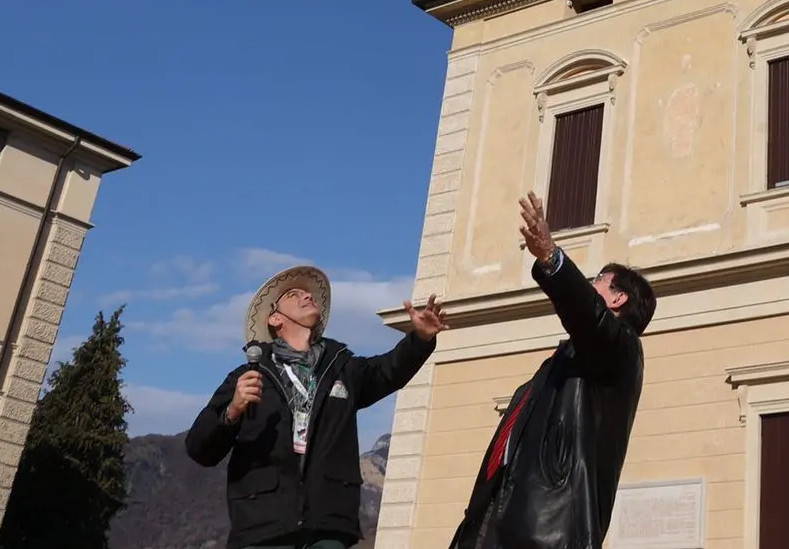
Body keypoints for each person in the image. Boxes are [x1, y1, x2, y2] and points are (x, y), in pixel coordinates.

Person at [186, 263, 449, 549]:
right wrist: (232, 411)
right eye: (293, 295)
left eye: (309, 294)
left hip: (327, 524)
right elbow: (200, 448)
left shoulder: (342, 367)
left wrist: (420, 339)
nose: (307, 296)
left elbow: (388, 370)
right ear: (275, 319)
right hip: (262, 526)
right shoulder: (247, 376)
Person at [450, 192, 657, 549]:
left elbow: (590, 316)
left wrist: (552, 259)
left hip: (547, 534)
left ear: (618, 299)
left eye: (598, 282)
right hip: (499, 527)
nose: (589, 286)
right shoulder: (558, 367)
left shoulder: (621, 350)